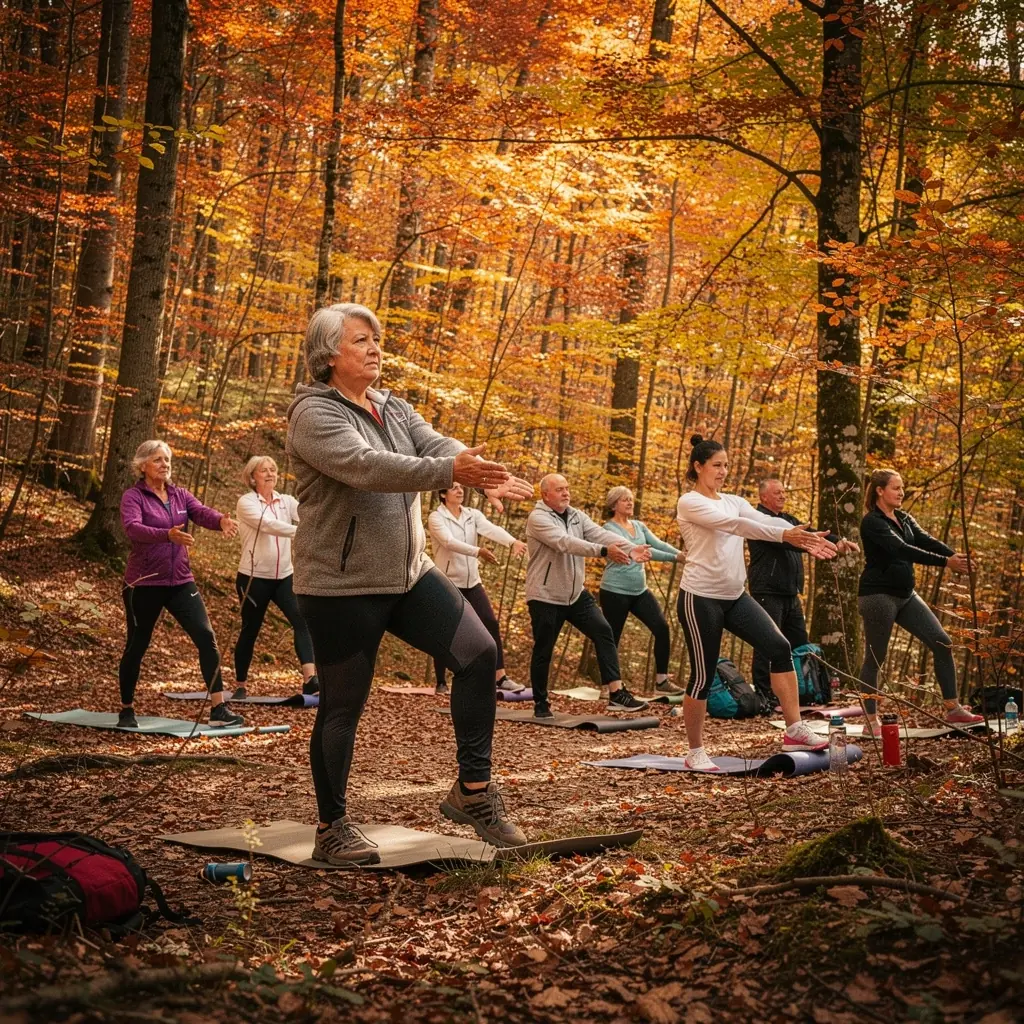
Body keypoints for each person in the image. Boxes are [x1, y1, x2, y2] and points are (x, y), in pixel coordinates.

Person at [287, 302, 534, 866]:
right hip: (341, 583)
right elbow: (367, 467)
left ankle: (472, 793)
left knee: (479, 654)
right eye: (360, 340)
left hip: (409, 574)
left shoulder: (392, 406)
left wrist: (475, 466)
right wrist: (451, 472)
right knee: (343, 705)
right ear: (329, 355)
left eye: (376, 339)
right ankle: (332, 827)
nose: (375, 348)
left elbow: (432, 444)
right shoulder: (313, 415)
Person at [675, 435, 837, 770]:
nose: (723, 471)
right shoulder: (689, 502)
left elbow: (765, 520)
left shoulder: (733, 500)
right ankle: (695, 751)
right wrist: (785, 535)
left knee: (779, 647)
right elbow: (737, 526)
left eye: (726, 466)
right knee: (703, 675)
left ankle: (794, 729)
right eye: (717, 465)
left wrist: (801, 535)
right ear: (698, 466)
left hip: (734, 597)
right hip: (700, 598)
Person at [119, 440, 243, 729]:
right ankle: (126, 709)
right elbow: (132, 528)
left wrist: (221, 521)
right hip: (144, 582)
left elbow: (200, 512)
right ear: (143, 466)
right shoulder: (133, 497)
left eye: (168, 459)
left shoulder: (178, 495)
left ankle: (218, 709)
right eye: (158, 460)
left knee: (206, 637)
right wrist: (167, 535)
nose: (165, 464)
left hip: (180, 581)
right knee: (137, 645)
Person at [858, 469, 983, 733]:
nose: (901, 493)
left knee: (942, 643)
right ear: (880, 491)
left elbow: (926, 540)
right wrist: (945, 563)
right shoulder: (873, 522)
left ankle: (953, 709)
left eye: (902, 488)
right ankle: (871, 721)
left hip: (906, 595)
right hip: (878, 596)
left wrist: (955, 557)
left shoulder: (903, 517)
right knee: (875, 658)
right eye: (896, 488)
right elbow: (900, 549)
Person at [525, 473, 653, 718]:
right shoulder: (537, 518)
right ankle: (541, 703)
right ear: (545, 495)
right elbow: (564, 543)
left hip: (575, 595)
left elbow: (599, 533)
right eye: (560, 489)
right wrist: (604, 552)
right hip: (545, 595)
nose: (566, 493)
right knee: (544, 649)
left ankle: (616, 693)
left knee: (603, 631)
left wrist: (630, 547)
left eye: (567, 488)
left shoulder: (575, 515)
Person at [747, 477, 859, 704]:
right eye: (777, 493)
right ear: (763, 497)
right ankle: (764, 694)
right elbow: (793, 541)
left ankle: (805, 690)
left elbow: (812, 532)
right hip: (767, 592)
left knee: (799, 644)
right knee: (767, 642)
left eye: (783, 492)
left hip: (790, 592)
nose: (782, 496)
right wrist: (813, 543)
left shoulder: (788, 519)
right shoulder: (758, 521)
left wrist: (838, 540)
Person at [428, 483, 528, 695]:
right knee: (446, 630)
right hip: (448, 582)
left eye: (461, 487)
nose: (459, 490)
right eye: (453, 488)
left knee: (490, 622)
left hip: (472, 581)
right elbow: (449, 542)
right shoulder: (436, 518)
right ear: (443, 493)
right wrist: (478, 551)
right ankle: (441, 681)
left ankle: (500, 677)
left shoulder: (473, 515)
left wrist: (513, 542)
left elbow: (491, 529)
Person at [232, 456, 317, 700]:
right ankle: (240, 684)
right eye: (264, 470)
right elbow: (268, 525)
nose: (270, 474)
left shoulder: (286, 501)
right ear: (252, 477)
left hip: (285, 577)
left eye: (273, 469)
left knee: (302, 620)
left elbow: (308, 515)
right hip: (253, 578)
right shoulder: (246, 502)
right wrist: (301, 533)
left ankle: (309, 679)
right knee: (251, 629)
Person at [598, 486, 684, 696]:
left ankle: (662, 681)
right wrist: (675, 558)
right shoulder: (607, 529)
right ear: (614, 504)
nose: (630, 503)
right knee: (612, 638)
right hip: (614, 591)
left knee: (662, 628)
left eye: (631, 499)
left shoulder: (639, 525)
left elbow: (657, 543)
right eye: (625, 500)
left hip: (639, 591)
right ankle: (607, 685)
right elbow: (649, 552)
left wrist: (681, 553)